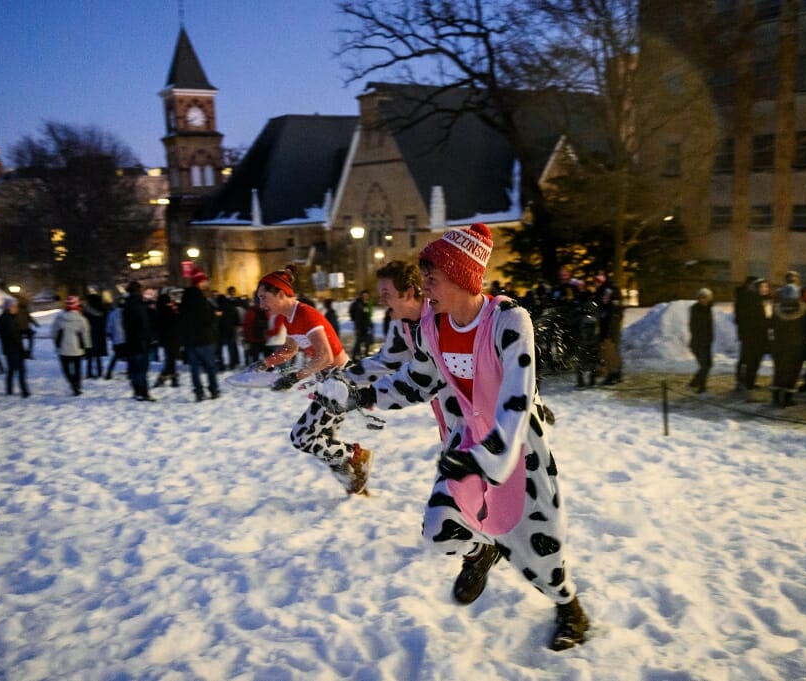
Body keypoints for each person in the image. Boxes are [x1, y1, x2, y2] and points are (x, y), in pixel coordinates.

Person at [315, 223, 588, 650]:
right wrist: (360, 396)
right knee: (439, 529)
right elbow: (415, 381)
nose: (423, 288)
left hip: (516, 447)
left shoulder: (509, 320)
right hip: (466, 445)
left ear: (462, 277)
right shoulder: (433, 326)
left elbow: (517, 398)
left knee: (539, 544)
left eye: (431, 278)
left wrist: (492, 454)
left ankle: (569, 608)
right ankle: (481, 552)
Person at [252, 265, 370, 495]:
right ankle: (354, 482)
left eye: (263, 297)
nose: (260, 304)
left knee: (302, 436)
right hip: (330, 383)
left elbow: (325, 355)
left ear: (280, 293)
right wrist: (265, 363)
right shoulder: (290, 318)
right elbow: (289, 349)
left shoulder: (306, 314)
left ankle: (358, 456)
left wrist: (295, 377)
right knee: (322, 439)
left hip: (341, 381)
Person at [178, 269, 220, 402]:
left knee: (194, 368)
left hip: (190, 340)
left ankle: (199, 392)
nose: (206, 282)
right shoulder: (201, 299)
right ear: (199, 282)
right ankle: (213, 390)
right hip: (204, 339)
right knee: (210, 366)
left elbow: (182, 319)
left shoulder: (185, 299)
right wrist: (215, 315)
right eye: (204, 280)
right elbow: (206, 318)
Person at [770, 283, 806, 407]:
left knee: (779, 371)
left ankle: (775, 397)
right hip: (796, 347)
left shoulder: (777, 311)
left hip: (779, 346)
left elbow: (772, 327)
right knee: (793, 372)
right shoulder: (803, 311)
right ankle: (787, 398)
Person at [735, 278, 771, 395]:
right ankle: (741, 382)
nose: (764, 289)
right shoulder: (748, 299)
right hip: (749, 336)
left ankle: (750, 382)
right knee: (747, 359)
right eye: (761, 287)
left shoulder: (762, 300)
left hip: (760, 336)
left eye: (765, 287)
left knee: (755, 359)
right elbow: (744, 319)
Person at [51, 295, 91, 396]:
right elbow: (86, 334)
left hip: (63, 349)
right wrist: (87, 347)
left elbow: (53, 332)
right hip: (77, 348)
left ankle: (73, 385)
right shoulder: (82, 319)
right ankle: (78, 386)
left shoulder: (59, 318)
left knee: (66, 370)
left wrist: (57, 342)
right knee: (77, 369)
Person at [122, 281, 154, 401]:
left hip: (130, 340)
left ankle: (137, 390)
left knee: (135, 368)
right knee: (142, 368)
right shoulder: (139, 305)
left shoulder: (127, 304)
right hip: (140, 340)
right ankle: (143, 392)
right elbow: (143, 323)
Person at [0, 298, 29, 397]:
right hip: (13, 348)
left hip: (9, 348)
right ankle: (24, 391)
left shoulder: (8, 317)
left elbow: (15, 332)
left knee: (12, 369)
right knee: (21, 370)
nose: (16, 308)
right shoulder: (7, 319)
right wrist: (21, 348)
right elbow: (13, 335)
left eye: (16, 306)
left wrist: (23, 332)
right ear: (8, 307)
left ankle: (9, 389)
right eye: (14, 306)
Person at [687, 288, 714, 394]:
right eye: (701, 297)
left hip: (707, 341)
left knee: (708, 364)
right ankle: (702, 387)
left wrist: (709, 339)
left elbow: (709, 326)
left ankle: (694, 382)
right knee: (705, 365)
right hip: (698, 342)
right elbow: (693, 326)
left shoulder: (708, 308)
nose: (704, 300)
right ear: (698, 298)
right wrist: (699, 340)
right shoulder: (695, 309)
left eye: (706, 297)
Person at [154, 287, 182, 388]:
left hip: (166, 337)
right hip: (172, 336)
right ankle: (164, 377)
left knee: (171, 358)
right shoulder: (167, 308)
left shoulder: (160, 308)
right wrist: (175, 310)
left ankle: (172, 379)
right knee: (171, 358)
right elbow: (175, 319)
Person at [83, 293, 108, 379]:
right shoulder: (102, 310)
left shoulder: (85, 311)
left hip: (89, 334)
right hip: (99, 335)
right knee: (98, 355)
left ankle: (89, 372)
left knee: (90, 355)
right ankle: (99, 372)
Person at [216, 286, 241, 370]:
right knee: (232, 348)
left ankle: (221, 365)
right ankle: (232, 364)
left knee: (219, 350)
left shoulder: (217, 309)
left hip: (220, 332)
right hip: (231, 331)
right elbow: (237, 319)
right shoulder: (232, 307)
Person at [104, 296, 127, 379]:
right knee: (129, 355)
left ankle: (109, 372)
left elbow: (108, 327)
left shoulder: (112, 313)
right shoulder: (127, 313)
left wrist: (110, 335)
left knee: (116, 356)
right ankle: (131, 371)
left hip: (117, 339)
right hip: (126, 339)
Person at [349, 289, 373, 360]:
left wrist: (369, 324)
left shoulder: (366, 303)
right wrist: (355, 322)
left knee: (367, 341)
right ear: (361, 296)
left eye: (367, 295)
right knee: (359, 341)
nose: (366, 297)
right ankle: (354, 356)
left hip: (365, 325)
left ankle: (365, 354)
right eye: (364, 295)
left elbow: (367, 315)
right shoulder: (358, 304)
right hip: (359, 326)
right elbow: (353, 313)